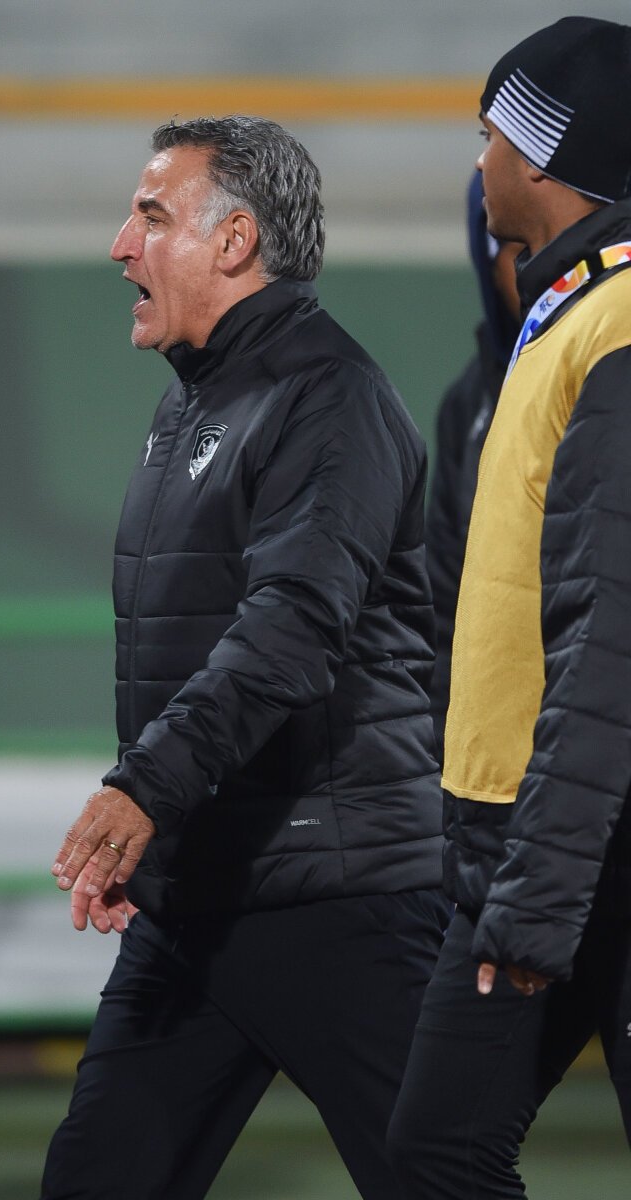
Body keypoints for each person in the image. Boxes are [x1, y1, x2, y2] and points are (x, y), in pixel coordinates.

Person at [40, 115, 447, 1200]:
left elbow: (290, 630)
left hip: (334, 893)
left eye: (149, 216)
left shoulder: (329, 397)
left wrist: (143, 788)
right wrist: (157, 837)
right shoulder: (195, 400)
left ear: (233, 242)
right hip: (198, 899)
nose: (120, 245)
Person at [388, 16, 631, 1198]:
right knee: (435, 1152)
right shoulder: (573, 314)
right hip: (547, 834)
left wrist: (535, 891)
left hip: (580, 842)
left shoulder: (616, 325)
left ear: (542, 154)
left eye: (490, 133)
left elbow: (610, 634)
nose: (479, 160)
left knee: (437, 1153)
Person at [425, 170, 521, 756]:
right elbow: (444, 610)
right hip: (493, 762)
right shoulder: (468, 406)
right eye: (515, 250)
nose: (537, 266)